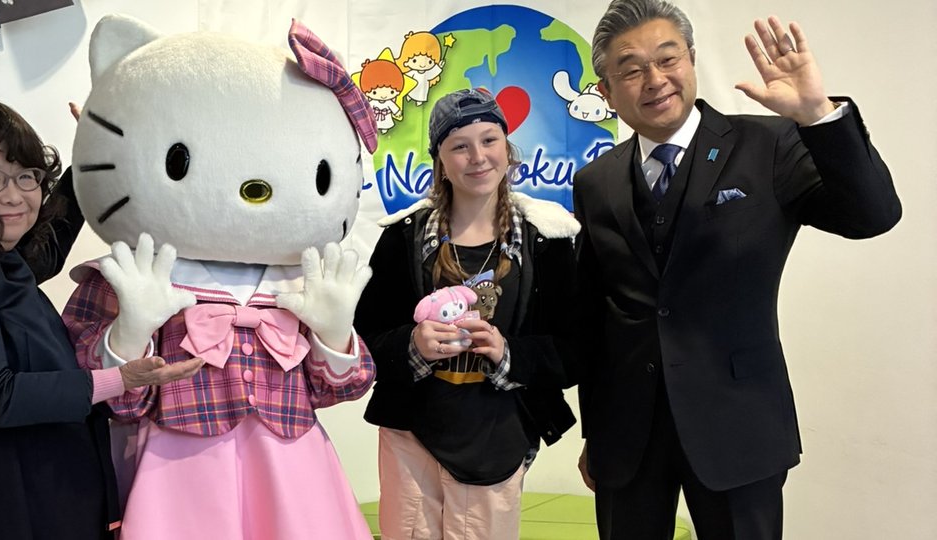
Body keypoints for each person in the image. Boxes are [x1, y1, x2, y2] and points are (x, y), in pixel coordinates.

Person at [573, 1, 902, 538]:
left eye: (667, 58)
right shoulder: (595, 181)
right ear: (606, 91)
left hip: (739, 426)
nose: (654, 80)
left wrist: (819, 116)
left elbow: (874, 215)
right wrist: (597, 432)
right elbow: (595, 316)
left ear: (692, 60)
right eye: (631, 70)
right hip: (627, 439)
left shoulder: (769, 144)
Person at [0, 99, 202, 539]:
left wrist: (94, 154)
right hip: (6, 502)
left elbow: (45, 252)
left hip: (41, 487)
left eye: (27, 176)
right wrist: (120, 380)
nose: (15, 195)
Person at [355, 88, 580, 540]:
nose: (477, 156)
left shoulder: (547, 239)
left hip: (498, 434)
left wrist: (507, 351)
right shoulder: (402, 238)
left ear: (507, 148)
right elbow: (365, 338)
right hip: (411, 438)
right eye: (460, 145)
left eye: (489, 140)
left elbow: (575, 348)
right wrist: (412, 345)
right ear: (440, 158)